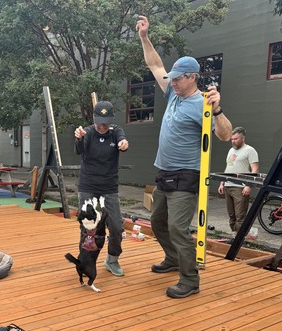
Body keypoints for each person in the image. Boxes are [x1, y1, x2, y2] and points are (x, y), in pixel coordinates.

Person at [136, 15, 233, 298]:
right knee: (156, 223)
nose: (173, 82)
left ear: (192, 77)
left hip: (187, 174)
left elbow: (225, 135)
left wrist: (217, 110)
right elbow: (155, 64)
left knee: (178, 228)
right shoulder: (173, 95)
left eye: (178, 79)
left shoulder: (202, 103)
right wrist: (144, 37)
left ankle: (190, 281)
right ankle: (173, 259)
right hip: (164, 172)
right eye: (173, 79)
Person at [74, 101, 130, 276]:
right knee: (88, 227)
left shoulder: (116, 132)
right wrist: (79, 137)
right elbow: (79, 150)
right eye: (99, 120)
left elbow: (123, 140)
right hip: (88, 186)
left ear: (111, 119)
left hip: (109, 188)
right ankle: (85, 263)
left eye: (106, 121)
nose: (102, 125)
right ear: (94, 119)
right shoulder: (88, 132)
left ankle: (112, 260)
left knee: (116, 226)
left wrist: (124, 143)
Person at [218, 127, 259, 242]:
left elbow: (254, 169)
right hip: (228, 185)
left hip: (240, 187)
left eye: (236, 139)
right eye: (232, 139)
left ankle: (239, 239)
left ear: (243, 138)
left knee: (240, 215)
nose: (233, 141)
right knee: (231, 214)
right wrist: (222, 183)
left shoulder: (250, 150)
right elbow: (228, 167)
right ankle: (234, 235)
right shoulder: (231, 150)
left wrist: (248, 185)